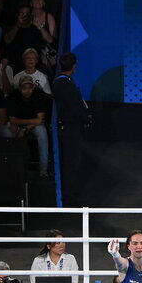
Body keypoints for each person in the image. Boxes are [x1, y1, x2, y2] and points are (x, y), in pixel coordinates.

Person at [52, 53, 88, 205]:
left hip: (70, 128)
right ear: (74, 66)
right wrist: (85, 119)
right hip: (70, 130)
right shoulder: (64, 84)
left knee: (72, 163)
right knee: (71, 164)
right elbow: (75, 107)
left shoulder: (63, 82)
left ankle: (71, 196)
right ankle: (70, 198)